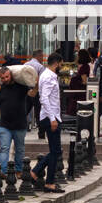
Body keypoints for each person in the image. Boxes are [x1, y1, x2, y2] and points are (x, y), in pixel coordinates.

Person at [31, 53, 65, 193]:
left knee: (55, 151)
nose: (62, 66)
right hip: (50, 118)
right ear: (57, 63)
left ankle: (39, 174)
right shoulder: (48, 77)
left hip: (52, 116)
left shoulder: (48, 76)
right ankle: (47, 181)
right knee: (55, 151)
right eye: (61, 64)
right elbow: (44, 98)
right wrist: (52, 118)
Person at [0, 65, 35, 178]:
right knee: (4, 149)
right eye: (2, 78)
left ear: (11, 75)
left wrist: (36, 86)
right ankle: (3, 172)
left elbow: (32, 94)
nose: (5, 79)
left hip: (20, 124)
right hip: (5, 124)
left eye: (7, 77)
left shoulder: (21, 86)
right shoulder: (1, 89)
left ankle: (19, 170)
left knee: (19, 149)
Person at [66, 48, 91, 116]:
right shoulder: (84, 66)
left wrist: (75, 80)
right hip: (78, 93)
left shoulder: (84, 67)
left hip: (79, 93)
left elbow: (84, 81)